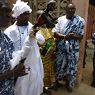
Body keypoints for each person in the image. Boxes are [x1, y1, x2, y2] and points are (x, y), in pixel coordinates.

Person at [52, 3, 85, 92]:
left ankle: (69, 83)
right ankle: (56, 82)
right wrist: (65, 36)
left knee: (71, 66)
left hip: (73, 49)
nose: (71, 10)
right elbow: (55, 33)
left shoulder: (80, 21)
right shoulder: (60, 20)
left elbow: (81, 37)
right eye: (69, 9)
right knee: (59, 64)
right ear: (66, 10)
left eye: (73, 9)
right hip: (61, 47)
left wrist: (73, 36)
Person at [0, 2, 26, 95]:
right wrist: (12, 74)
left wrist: (19, 64)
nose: (10, 17)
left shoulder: (4, 36)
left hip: (8, 88)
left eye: (10, 13)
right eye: (6, 14)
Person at [11, 28, 44, 95]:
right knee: (25, 86)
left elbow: (42, 41)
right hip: (27, 67)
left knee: (32, 84)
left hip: (34, 66)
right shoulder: (29, 41)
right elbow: (24, 53)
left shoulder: (34, 41)